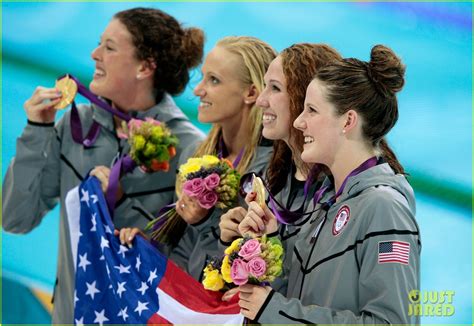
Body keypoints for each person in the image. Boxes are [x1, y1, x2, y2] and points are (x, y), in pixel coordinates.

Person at [2, 7, 205, 324]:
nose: (95, 54)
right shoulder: (74, 125)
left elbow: (191, 267)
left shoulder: (189, 147)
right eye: (99, 44)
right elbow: (15, 219)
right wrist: (35, 131)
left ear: (144, 66)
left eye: (109, 48)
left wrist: (123, 198)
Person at [238, 45, 421, 324]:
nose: (299, 122)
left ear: (348, 120)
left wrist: (273, 310)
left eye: (311, 110)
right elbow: (300, 301)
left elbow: (390, 322)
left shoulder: (384, 208)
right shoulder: (328, 203)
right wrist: (270, 240)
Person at [118, 36, 277, 281]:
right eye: (202, 77)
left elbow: (240, 274)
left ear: (251, 92)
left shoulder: (269, 173)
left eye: (213, 80)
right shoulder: (196, 153)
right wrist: (149, 247)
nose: (197, 89)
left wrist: (204, 224)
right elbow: (180, 251)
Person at [218, 43, 341, 295]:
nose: (261, 101)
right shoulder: (270, 178)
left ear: (307, 98)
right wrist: (230, 244)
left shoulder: (342, 194)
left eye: (274, 88)